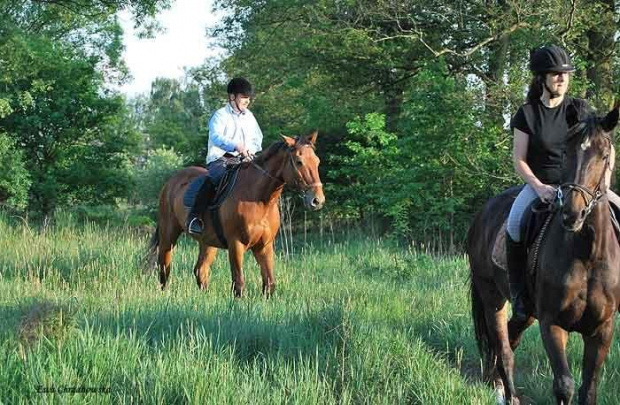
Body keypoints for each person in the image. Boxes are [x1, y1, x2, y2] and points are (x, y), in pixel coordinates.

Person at [507, 45, 617, 321]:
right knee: (514, 224)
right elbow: (519, 159)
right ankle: (521, 295)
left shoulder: (579, 108)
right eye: (555, 74)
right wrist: (538, 186)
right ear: (541, 78)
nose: (561, 79)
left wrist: (605, 180)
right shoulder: (527, 114)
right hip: (542, 184)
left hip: (584, 186)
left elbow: (604, 144)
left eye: (565, 74)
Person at [186, 77, 264, 235]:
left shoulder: (250, 116)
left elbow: (258, 138)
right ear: (232, 97)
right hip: (220, 159)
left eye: (248, 98)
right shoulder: (220, 115)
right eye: (243, 97)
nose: (247, 101)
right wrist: (236, 146)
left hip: (245, 159)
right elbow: (216, 137)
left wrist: (249, 150)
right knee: (215, 178)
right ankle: (195, 218)